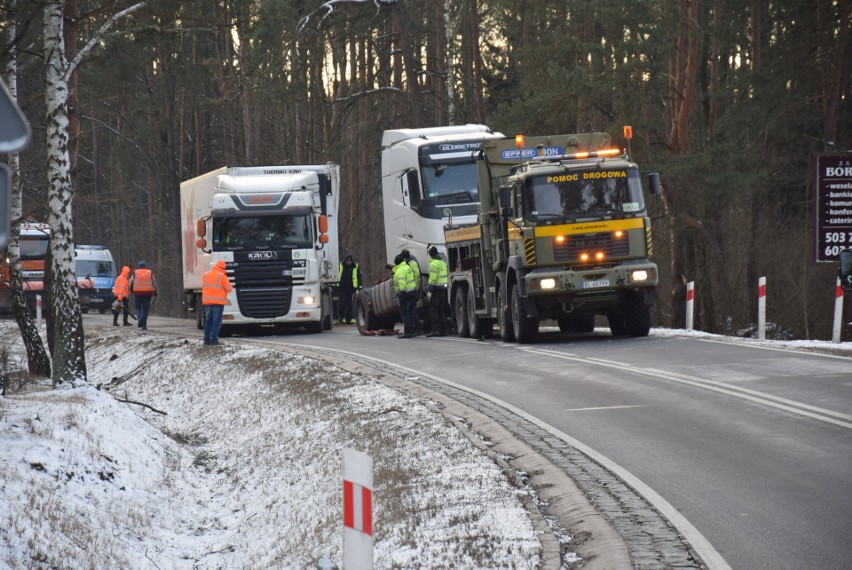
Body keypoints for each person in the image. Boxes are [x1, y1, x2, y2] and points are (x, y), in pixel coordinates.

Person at [202, 259, 233, 346]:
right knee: (216, 322)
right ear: (223, 267)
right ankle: (214, 340)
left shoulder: (206, 275)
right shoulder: (222, 276)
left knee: (208, 321)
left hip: (207, 302)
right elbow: (229, 289)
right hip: (218, 303)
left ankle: (206, 340)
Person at [392, 253, 418, 338]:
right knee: (411, 312)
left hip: (405, 295)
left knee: (405, 313)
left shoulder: (399, 271)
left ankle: (408, 331)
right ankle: (415, 329)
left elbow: (402, 284)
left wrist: (401, 295)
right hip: (413, 292)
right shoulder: (408, 267)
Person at [426, 247, 449, 337]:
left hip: (435, 290)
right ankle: (443, 330)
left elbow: (433, 278)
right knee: (441, 310)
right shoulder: (443, 263)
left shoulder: (433, 264)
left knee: (433, 310)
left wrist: (429, 291)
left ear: (431, 255)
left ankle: (436, 329)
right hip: (443, 290)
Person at [129, 260, 157, 330]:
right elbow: (154, 282)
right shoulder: (150, 272)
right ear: (145, 266)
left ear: (139, 266)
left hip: (137, 293)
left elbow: (130, 282)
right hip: (148, 293)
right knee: (146, 309)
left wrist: (130, 289)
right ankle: (144, 325)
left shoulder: (135, 272)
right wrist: (155, 290)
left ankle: (139, 317)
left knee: (137, 307)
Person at [401, 249, 423, 334]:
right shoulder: (409, 262)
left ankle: (417, 328)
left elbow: (417, 275)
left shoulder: (412, 263)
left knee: (411, 310)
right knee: (411, 310)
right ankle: (416, 328)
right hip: (412, 289)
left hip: (413, 289)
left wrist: (416, 287)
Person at [338, 254, 363, 325]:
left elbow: (359, 276)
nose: (349, 262)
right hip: (342, 288)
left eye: (350, 261)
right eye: (347, 261)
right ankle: (341, 317)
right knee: (342, 303)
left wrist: (360, 285)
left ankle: (349, 319)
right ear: (345, 261)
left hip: (351, 288)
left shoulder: (355, 266)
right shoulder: (341, 266)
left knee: (350, 304)